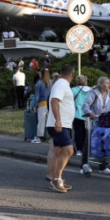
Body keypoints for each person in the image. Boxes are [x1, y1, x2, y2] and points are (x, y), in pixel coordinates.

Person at [81, 76, 110, 174]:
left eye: (109, 83)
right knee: (89, 143)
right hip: (94, 122)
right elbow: (85, 106)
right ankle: (83, 165)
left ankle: (103, 166)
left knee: (104, 143)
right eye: (106, 83)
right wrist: (90, 113)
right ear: (100, 84)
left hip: (106, 122)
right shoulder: (94, 94)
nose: (108, 85)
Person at [46, 63, 75, 192]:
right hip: (59, 124)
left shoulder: (61, 84)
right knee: (68, 150)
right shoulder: (61, 84)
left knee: (58, 151)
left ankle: (56, 178)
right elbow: (54, 101)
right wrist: (58, 120)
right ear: (72, 75)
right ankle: (57, 179)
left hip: (63, 124)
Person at [71, 75, 92, 162]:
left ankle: (79, 149)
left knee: (78, 132)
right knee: (87, 133)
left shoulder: (74, 90)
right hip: (88, 115)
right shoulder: (91, 90)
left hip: (77, 114)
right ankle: (87, 149)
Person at [31, 68, 51, 143]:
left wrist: (35, 105)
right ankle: (51, 136)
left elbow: (37, 96)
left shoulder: (39, 83)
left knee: (41, 121)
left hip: (42, 104)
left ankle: (39, 137)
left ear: (41, 74)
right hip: (49, 103)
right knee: (50, 121)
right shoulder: (50, 83)